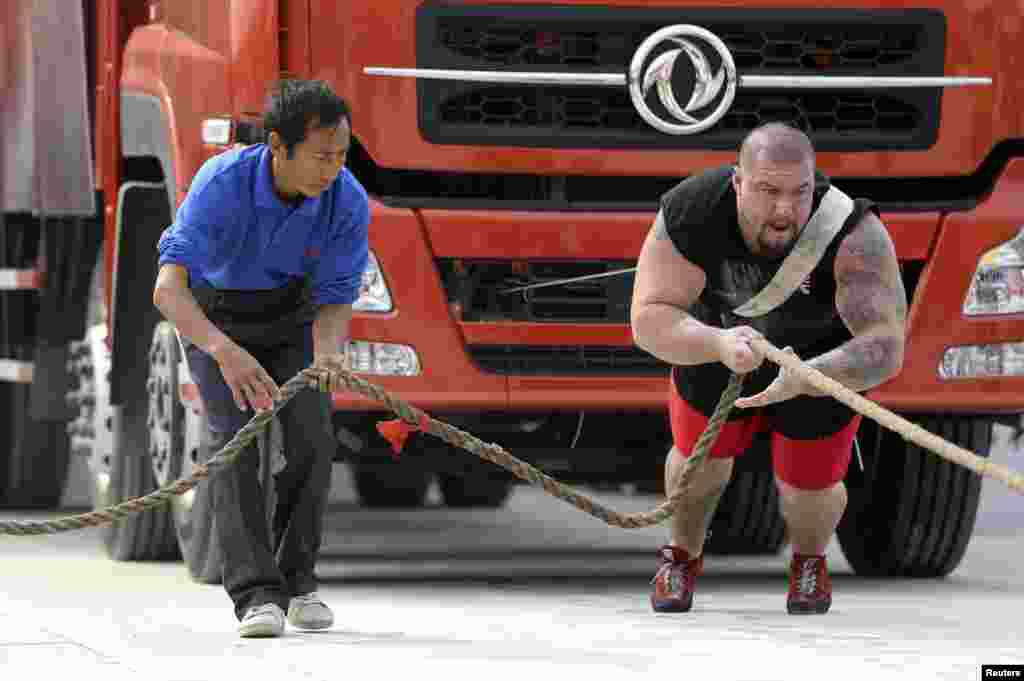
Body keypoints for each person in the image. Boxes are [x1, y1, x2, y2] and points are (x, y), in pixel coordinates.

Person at [630, 122, 907, 615]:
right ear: (737, 182)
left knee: (810, 488)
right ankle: (681, 556)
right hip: (717, 343)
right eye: (767, 191)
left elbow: (886, 346)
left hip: (820, 362)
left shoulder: (853, 230)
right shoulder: (692, 211)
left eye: (799, 193)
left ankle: (808, 562)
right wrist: (716, 343)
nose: (784, 210)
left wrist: (812, 374)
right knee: (697, 466)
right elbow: (648, 320)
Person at [153, 80, 369, 637]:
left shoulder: (346, 199)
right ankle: (255, 594)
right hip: (214, 313)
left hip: (290, 313)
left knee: (312, 436)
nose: (332, 169)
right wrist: (224, 352)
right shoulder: (222, 184)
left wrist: (327, 356)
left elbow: (336, 298)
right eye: (321, 155)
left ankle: (298, 581)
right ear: (278, 146)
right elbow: (167, 292)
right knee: (234, 441)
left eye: (341, 155)